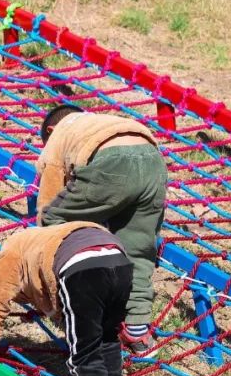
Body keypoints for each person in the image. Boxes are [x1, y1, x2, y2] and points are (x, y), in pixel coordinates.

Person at [0, 221, 135, 376]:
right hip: (118, 257)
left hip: (80, 267)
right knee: (107, 334)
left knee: (84, 350)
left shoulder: (13, 248)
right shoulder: (50, 235)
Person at [34, 104, 167, 356]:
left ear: (51, 129)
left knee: (53, 222)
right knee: (138, 249)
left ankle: (59, 301)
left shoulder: (59, 134)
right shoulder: (98, 121)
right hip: (153, 161)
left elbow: (49, 200)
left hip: (111, 163)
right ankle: (137, 330)